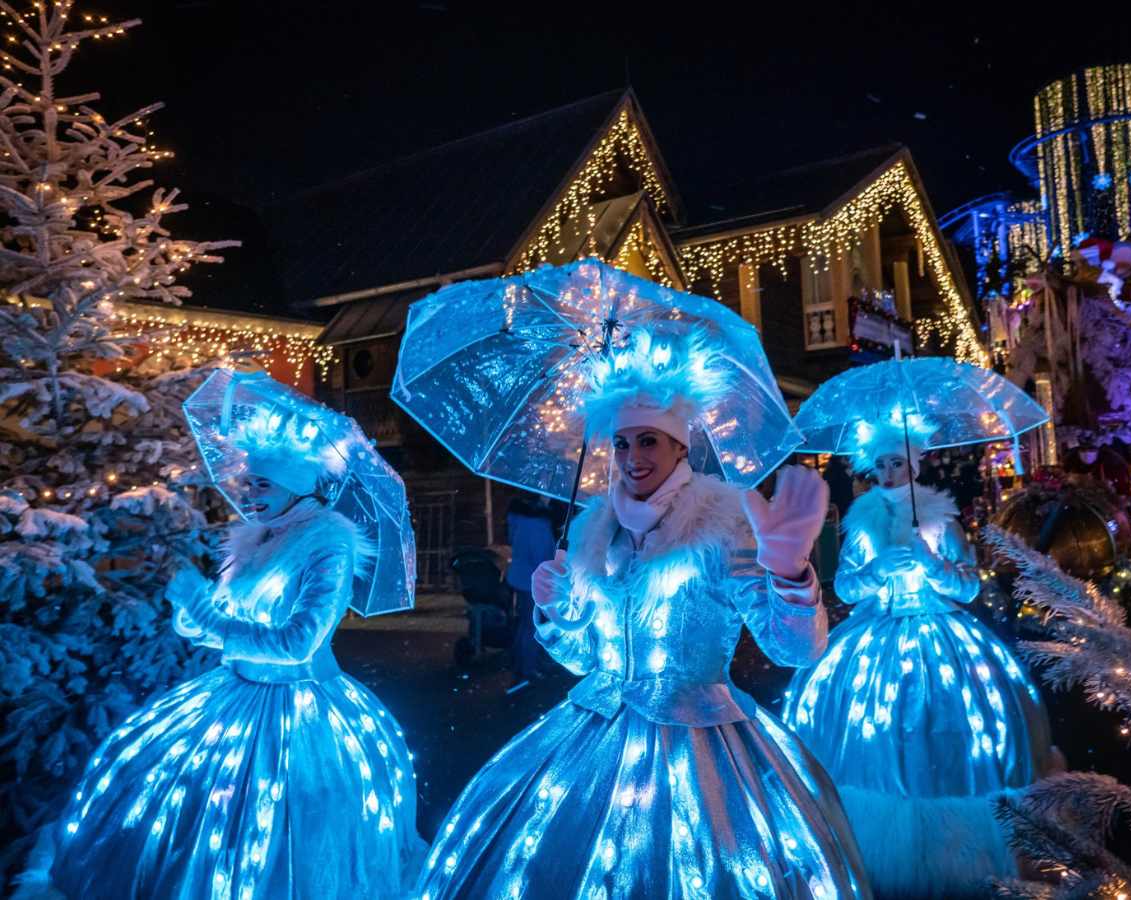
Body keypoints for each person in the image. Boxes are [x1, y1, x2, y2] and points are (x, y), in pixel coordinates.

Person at [414, 328, 870, 899]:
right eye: (623, 444)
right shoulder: (591, 530)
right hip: (592, 733)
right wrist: (557, 614)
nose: (632, 458)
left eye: (649, 441)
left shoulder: (723, 526)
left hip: (700, 749)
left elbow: (795, 650)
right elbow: (582, 661)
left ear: (681, 446)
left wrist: (790, 574)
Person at [16, 410, 426, 899]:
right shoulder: (258, 537)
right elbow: (220, 622)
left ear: (297, 485)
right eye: (248, 483)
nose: (249, 495)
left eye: (262, 485)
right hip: (233, 692)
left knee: (289, 827)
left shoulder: (328, 542)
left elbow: (297, 644)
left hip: (301, 707)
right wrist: (191, 605)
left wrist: (206, 616)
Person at [782, 419, 1054, 899]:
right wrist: (875, 570)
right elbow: (844, 586)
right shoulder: (861, 523)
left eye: (897, 463)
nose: (888, 473)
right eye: (881, 464)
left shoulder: (941, 519)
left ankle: (962, 854)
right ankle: (876, 851)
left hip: (941, 636)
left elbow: (967, 586)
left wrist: (933, 566)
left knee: (945, 731)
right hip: (877, 637)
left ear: (914, 463)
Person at [505, 493, 558, 681]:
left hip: (520, 577)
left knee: (524, 623)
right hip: (533, 581)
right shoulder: (538, 524)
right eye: (546, 495)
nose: (550, 498)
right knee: (532, 625)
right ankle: (528, 667)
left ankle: (519, 663)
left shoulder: (520, 520)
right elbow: (542, 558)